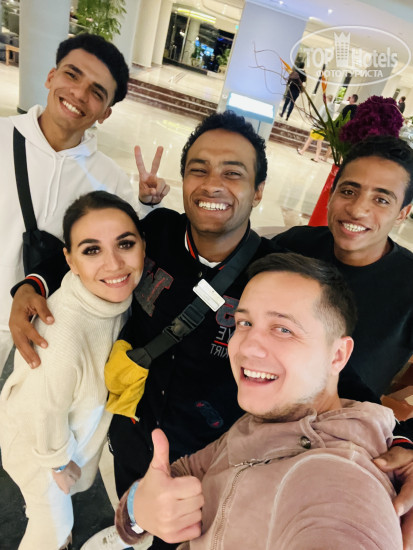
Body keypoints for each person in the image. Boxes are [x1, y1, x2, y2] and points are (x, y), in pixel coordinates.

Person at [8, 113, 413, 550]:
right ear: (183, 180)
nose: (212, 184)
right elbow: (92, 245)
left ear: (259, 191)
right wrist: (33, 284)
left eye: (233, 173)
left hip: (207, 463)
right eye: (198, 170)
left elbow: (328, 371)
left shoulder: (270, 274)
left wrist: (404, 440)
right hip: (129, 432)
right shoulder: (156, 232)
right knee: (131, 516)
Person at [114, 253, 402, 550]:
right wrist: (137, 511)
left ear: (337, 355)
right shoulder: (262, 422)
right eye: (244, 322)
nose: (247, 347)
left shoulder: (343, 486)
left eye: (284, 329)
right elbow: (180, 475)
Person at [0, 191, 146, 550]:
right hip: (38, 447)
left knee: (52, 511)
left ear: (144, 245)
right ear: (70, 260)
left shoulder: (111, 300)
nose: (114, 264)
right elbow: (43, 411)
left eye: (125, 244)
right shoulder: (61, 334)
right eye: (92, 250)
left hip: (62, 435)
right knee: (51, 527)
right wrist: (58, 463)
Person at [0, 32, 134, 376]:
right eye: (72, 75)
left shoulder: (112, 181)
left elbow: (116, 260)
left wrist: (146, 204)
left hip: (44, 341)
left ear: (105, 113)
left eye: (97, 92)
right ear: (51, 76)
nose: (78, 93)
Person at [274, 135, 413, 401]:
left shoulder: (407, 284)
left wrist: (392, 406)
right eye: (348, 191)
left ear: (401, 214)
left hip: (338, 422)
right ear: (332, 193)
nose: (358, 210)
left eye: (381, 200)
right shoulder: (293, 246)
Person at [297, 94, 335, 162]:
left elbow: (319, 116)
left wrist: (314, 125)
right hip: (324, 128)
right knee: (319, 144)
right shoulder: (332, 109)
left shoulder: (324, 106)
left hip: (317, 127)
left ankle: (302, 151)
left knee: (309, 140)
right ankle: (316, 158)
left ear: (326, 99)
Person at [321, 94, 358, 162]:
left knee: (333, 143)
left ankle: (326, 158)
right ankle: (340, 161)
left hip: (341, 128)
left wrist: (335, 126)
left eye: (350, 97)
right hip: (349, 130)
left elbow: (341, 118)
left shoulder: (348, 107)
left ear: (353, 99)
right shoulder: (357, 109)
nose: (349, 98)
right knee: (343, 146)